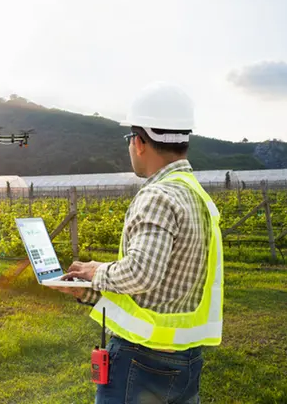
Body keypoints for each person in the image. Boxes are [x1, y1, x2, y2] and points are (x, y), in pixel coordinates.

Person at [57, 81, 224, 403]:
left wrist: (96, 271)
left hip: (142, 362)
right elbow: (163, 290)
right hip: (186, 359)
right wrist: (87, 291)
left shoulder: (158, 195)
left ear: (139, 142)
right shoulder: (195, 195)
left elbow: (141, 274)